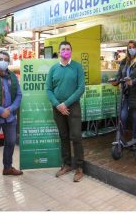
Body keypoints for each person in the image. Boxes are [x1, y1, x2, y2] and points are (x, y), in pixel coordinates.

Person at [46, 41, 85, 182]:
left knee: (76, 137)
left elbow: (81, 88)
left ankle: (80, 168)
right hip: (57, 108)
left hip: (73, 106)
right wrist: (58, 105)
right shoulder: (53, 69)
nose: (65, 51)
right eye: (63, 49)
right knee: (63, 136)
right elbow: (48, 89)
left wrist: (65, 104)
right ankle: (67, 164)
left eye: (68, 49)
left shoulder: (77, 67)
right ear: (59, 51)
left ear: (71, 51)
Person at [110, 40, 136, 141]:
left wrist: (132, 82)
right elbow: (119, 76)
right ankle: (120, 138)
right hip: (125, 93)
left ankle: (135, 138)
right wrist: (115, 82)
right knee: (123, 116)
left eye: (133, 47)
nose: (131, 49)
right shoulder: (124, 61)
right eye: (129, 47)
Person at [0, 51, 22, 175]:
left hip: (10, 117)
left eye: (6, 59)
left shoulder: (13, 77)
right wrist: (0, 110)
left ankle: (7, 167)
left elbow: (19, 95)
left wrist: (10, 109)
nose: (3, 61)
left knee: (11, 142)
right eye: (0, 59)